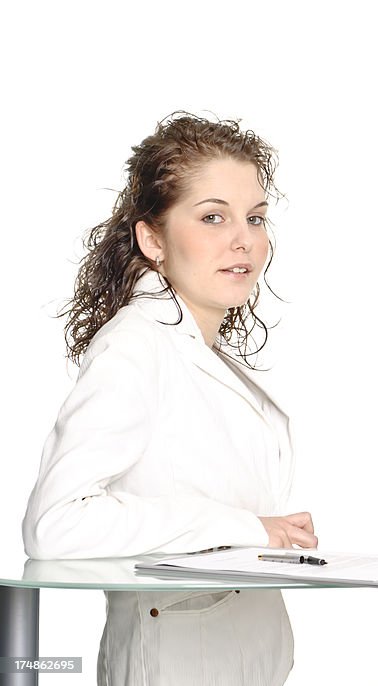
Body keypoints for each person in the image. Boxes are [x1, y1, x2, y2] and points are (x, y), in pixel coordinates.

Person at [22, 113, 316, 686]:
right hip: (177, 664)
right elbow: (56, 523)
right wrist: (250, 527)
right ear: (152, 238)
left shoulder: (195, 348)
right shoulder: (135, 348)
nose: (244, 240)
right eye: (213, 217)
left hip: (240, 656)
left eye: (255, 218)